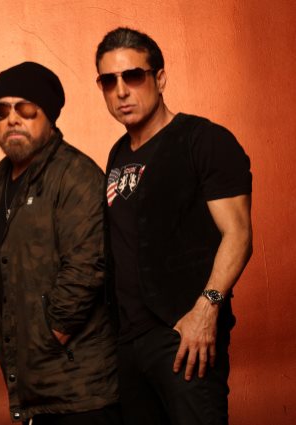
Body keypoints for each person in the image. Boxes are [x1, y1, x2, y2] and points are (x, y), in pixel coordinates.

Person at [95, 27, 253, 425]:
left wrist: (207, 309)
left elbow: (238, 234)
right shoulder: (117, 154)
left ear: (160, 78)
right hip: (128, 343)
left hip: (184, 336)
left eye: (133, 76)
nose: (121, 91)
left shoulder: (203, 140)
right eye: (109, 81)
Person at [0, 61, 121, 424]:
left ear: (49, 115)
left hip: (80, 392)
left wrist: (48, 337)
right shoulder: (1, 185)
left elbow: (87, 268)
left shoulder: (76, 175)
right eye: (1, 111)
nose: (12, 119)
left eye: (26, 109)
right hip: (34, 388)